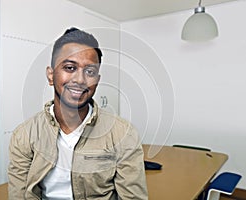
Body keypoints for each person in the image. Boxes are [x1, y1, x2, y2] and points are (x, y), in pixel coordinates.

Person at [8, 27, 148, 200]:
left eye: (90, 72)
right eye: (69, 68)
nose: (80, 80)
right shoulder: (24, 135)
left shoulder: (123, 133)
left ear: (97, 80)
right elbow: (18, 195)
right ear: (51, 76)